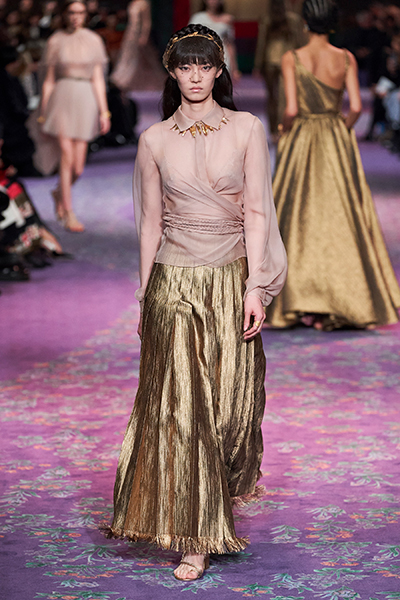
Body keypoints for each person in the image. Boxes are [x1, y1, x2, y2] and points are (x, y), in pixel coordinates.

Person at [107, 24, 287, 581]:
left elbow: (257, 210)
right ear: (172, 72)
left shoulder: (247, 128)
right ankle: (196, 532)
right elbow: (149, 224)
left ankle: (217, 495)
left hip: (230, 279)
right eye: (185, 66)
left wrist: (257, 286)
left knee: (232, 408)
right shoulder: (154, 140)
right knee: (184, 410)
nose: (194, 76)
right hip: (174, 284)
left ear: (218, 71)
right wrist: (145, 295)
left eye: (204, 66)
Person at [266, 0, 400, 331]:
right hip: (334, 137)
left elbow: (291, 109)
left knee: (295, 212)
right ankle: (342, 297)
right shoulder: (346, 58)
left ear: (305, 23)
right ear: (333, 24)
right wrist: (341, 128)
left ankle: (297, 297)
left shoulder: (292, 57)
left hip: (302, 137)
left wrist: (283, 130)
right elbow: (355, 107)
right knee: (341, 212)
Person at [36, 0, 110, 232]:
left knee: (78, 168)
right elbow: (48, 80)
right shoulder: (55, 41)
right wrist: (43, 112)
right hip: (61, 98)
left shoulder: (94, 40)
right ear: (65, 14)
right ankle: (68, 212)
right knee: (66, 156)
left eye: (80, 12)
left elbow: (98, 79)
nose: (76, 16)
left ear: (85, 14)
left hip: (85, 99)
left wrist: (104, 111)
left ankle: (59, 192)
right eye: (71, 12)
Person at [253, 0, 306, 141]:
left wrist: (258, 65)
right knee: (285, 97)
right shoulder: (293, 19)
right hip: (288, 60)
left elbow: (261, 43)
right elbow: (299, 42)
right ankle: (283, 128)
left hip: (270, 61)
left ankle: (274, 131)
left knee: (272, 98)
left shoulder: (267, 20)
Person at [110, 0, 164, 93]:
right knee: (128, 56)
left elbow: (147, 22)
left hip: (138, 34)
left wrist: (144, 36)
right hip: (130, 34)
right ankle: (124, 80)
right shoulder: (132, 3)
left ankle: (138, 82)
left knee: (141, 58)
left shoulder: (144, 4)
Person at [189, 0, 240, 80]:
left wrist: (235, 69)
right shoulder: (198, 18)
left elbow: (229, 44)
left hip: (222, 59)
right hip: (202, 58)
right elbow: (189, 41)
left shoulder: (228, 18)